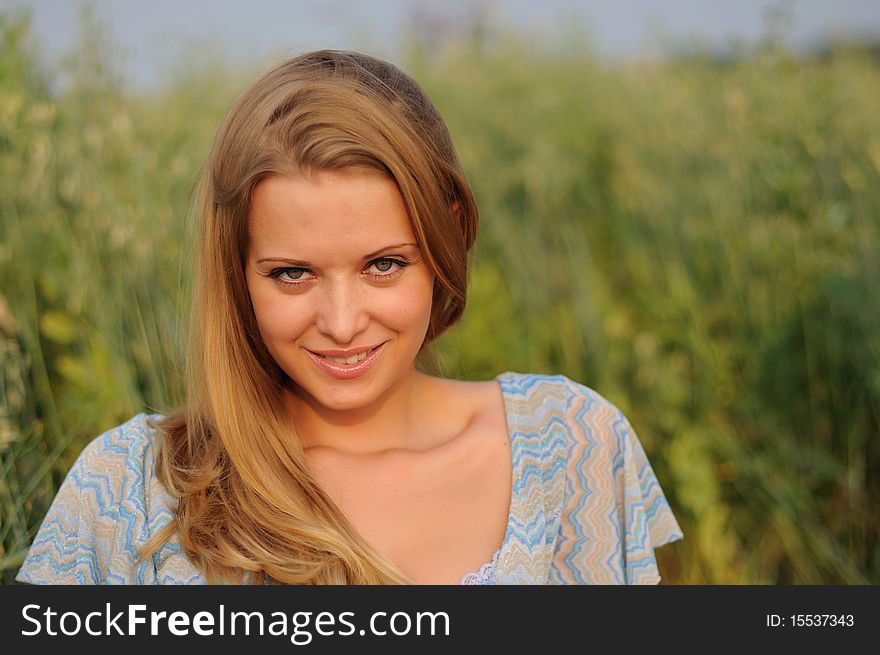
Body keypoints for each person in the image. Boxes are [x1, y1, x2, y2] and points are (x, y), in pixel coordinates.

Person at [16, 50, 682, 585]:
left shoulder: (576, 448)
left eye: (383, 264)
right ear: (235, 271)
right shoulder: (132, 490)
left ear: (446, 238)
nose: (340, 322)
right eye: (292, 273)